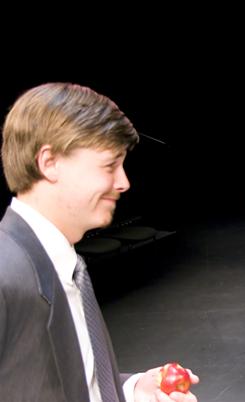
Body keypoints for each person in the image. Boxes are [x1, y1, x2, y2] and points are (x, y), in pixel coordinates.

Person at [0, 82, 199, 402]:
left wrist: (131, 389)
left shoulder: (67, 263)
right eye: (109, 166)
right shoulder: (6, 275)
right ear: (49, 162)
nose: (123, 182)